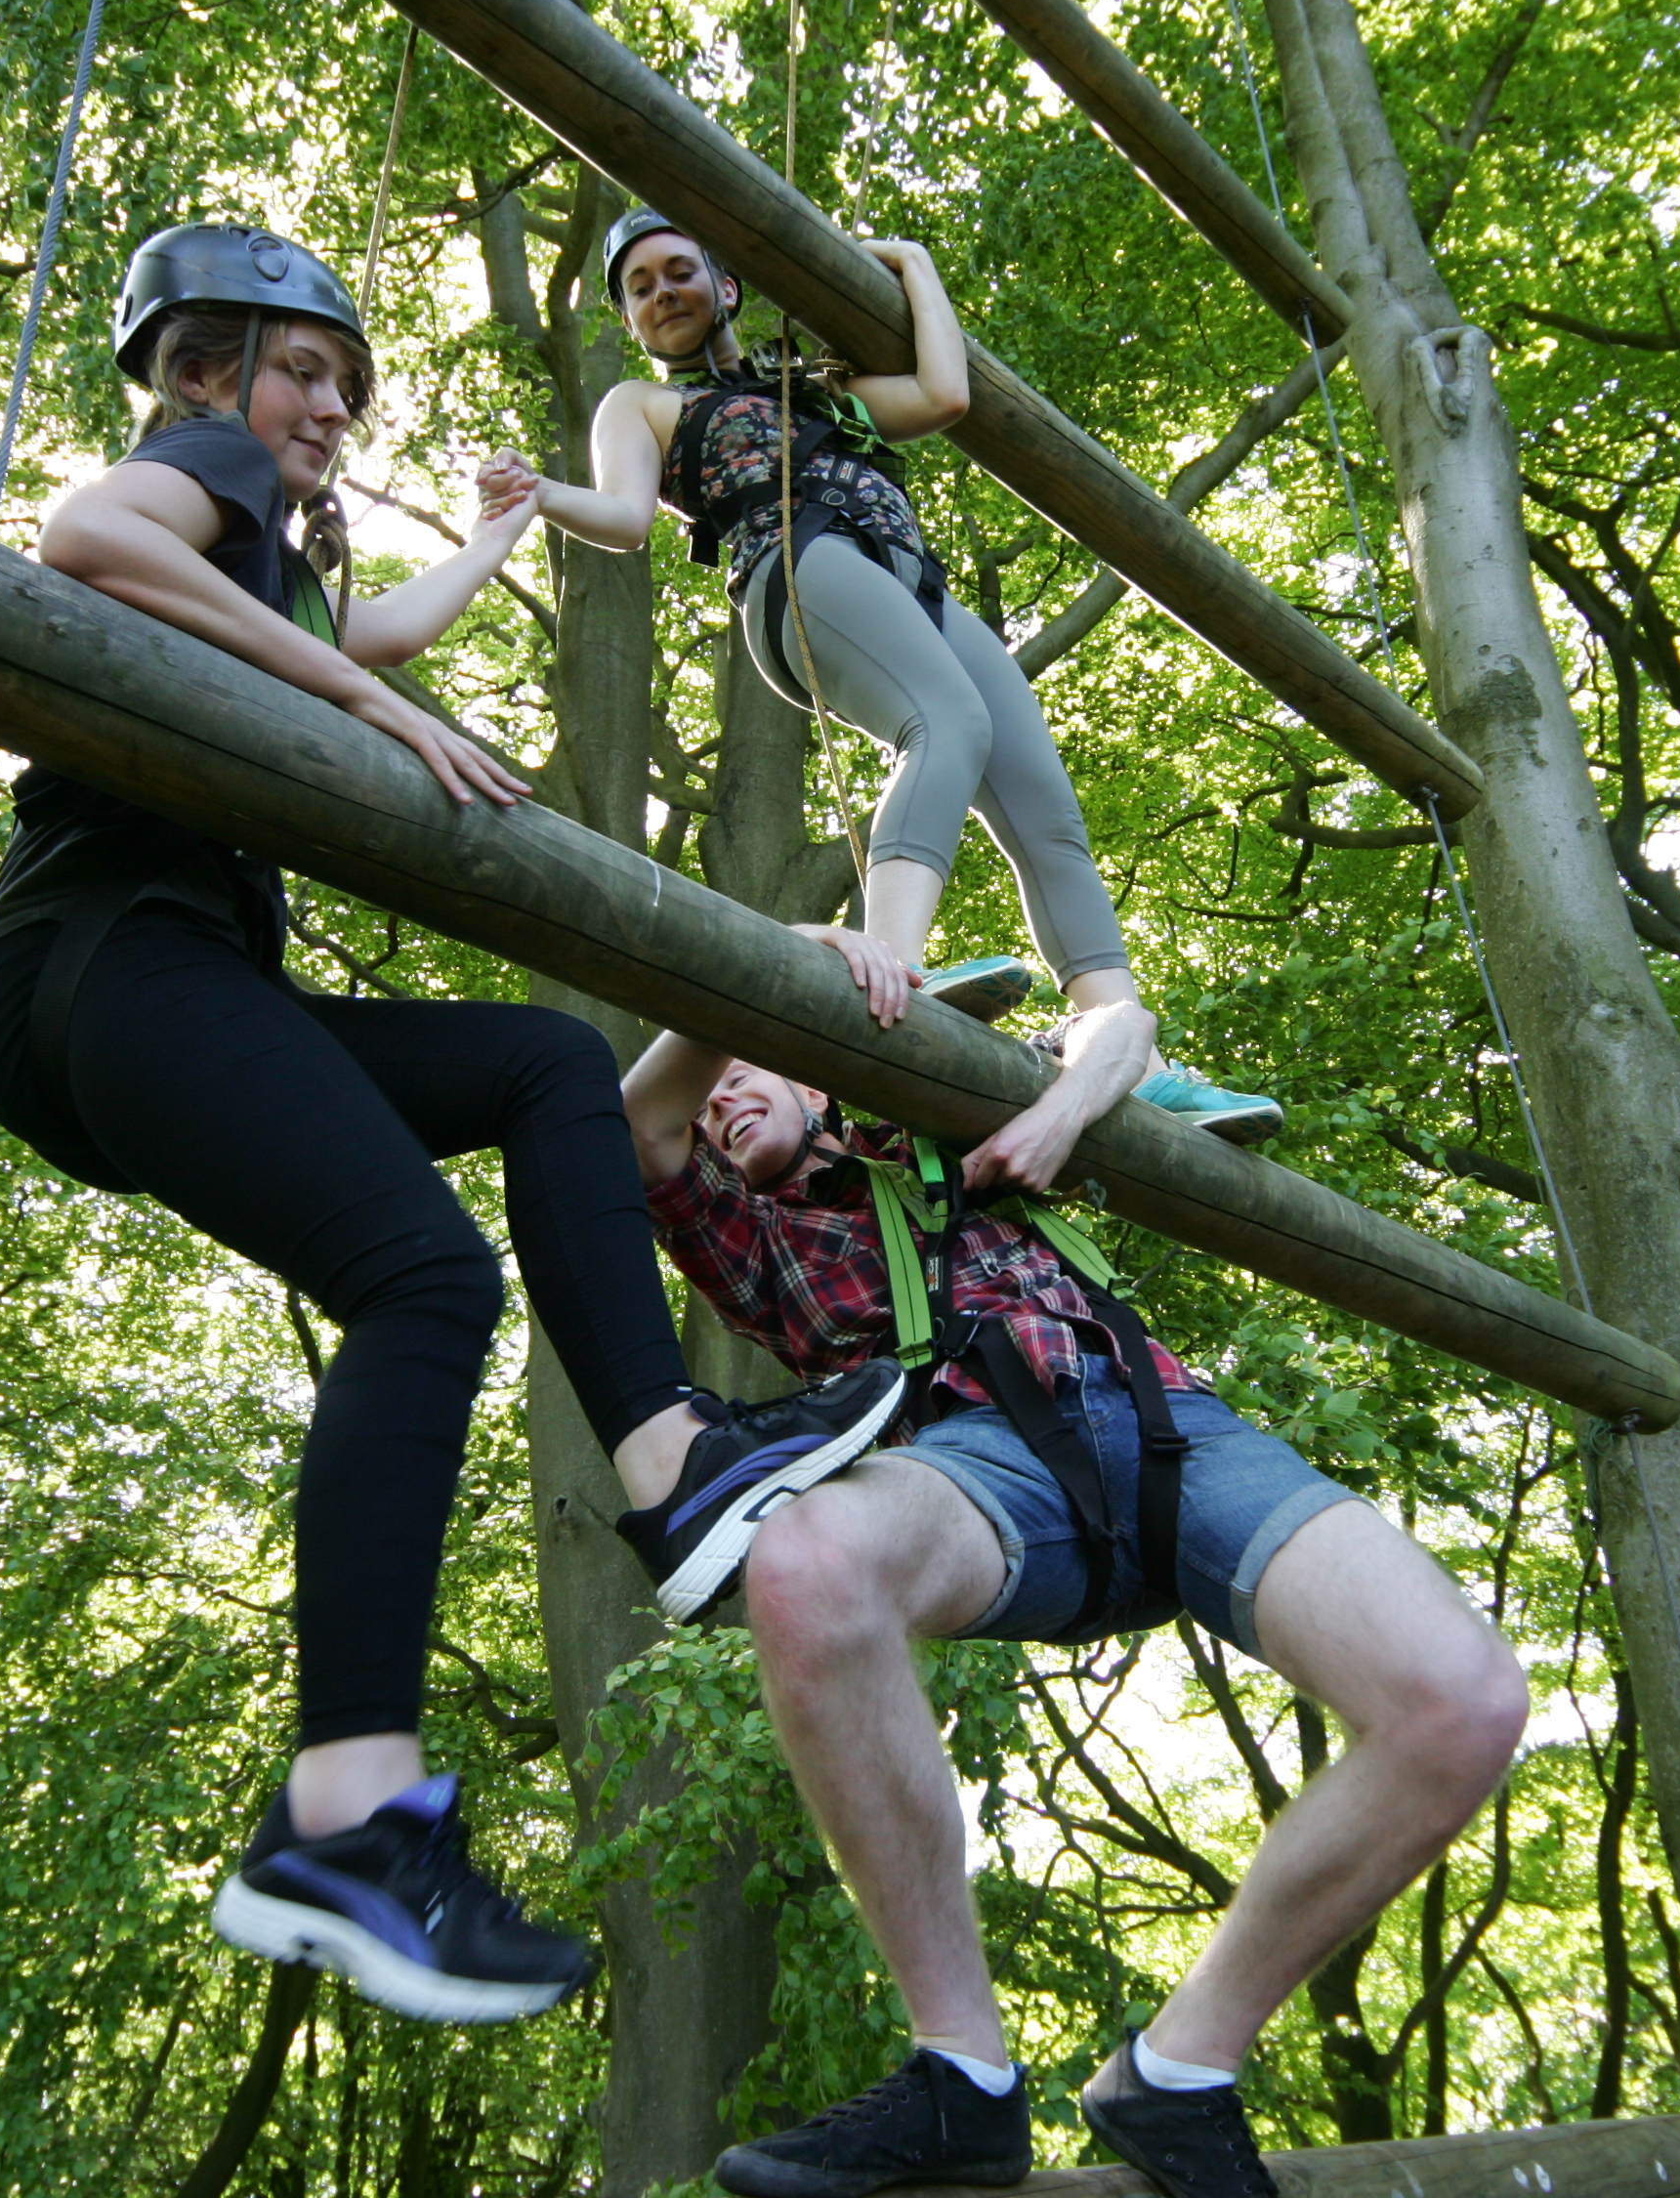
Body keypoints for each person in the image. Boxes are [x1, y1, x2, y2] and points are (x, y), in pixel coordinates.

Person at [0, 223, 909, 2027]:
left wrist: (498, 527)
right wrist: (362, 698)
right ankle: (343, 1817)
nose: (329, 406)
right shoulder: (199, 460)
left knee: (543, 1067)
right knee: (423, 1278)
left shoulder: (267, 549)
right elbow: (82, 540)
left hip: (173, 978)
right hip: (104, 957)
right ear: (198, 366)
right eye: (303, 367)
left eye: (343, 383)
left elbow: (369, 622)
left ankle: (665, 1464)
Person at [618, 930, 1531, 2198]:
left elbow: (1120, 1032)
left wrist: (1060, 1114)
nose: (726, 1098)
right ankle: (962, 2076)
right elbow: (643, 1122)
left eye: (756, 1077)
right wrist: (769, 968)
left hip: (1166, 1428)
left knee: (1465, 1699)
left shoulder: (949, 1102)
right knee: (807, 1559)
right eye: (723, 1093)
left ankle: (1180, 2070)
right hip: (965, 1472)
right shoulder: (750, 1236)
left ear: (821, 1080)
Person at [481, 206, 1283, 1145]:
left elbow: (945, 396)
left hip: (911, 583)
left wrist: (913, 262)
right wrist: (540, 495)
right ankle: (889, 963)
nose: (663, 293)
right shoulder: (649, 405)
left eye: (679, 270)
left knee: (1044, 807)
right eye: (640, 287)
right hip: (795, 566)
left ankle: (1130, 1057)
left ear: (726, 284)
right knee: (946, 723)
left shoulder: (817, 390)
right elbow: (622, 517)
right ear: (628, 319)